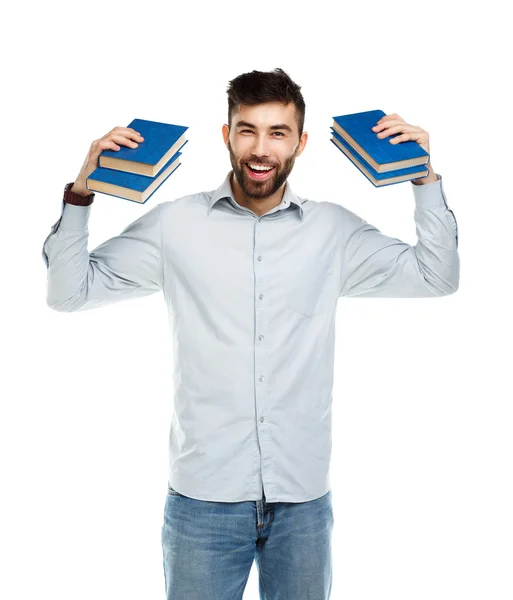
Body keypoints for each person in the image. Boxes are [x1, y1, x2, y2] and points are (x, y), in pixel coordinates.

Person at [42, 67, 460, 600]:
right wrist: (81, 191)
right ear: (227, 135)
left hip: (303, 502)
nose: (260, 148)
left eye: (278, 132)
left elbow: (437, 276)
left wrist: (424, 179)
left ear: (300, 143)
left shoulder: (334, 231)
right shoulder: (176, 226)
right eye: (247, 130)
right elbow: (68, 291)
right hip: (203, 502)